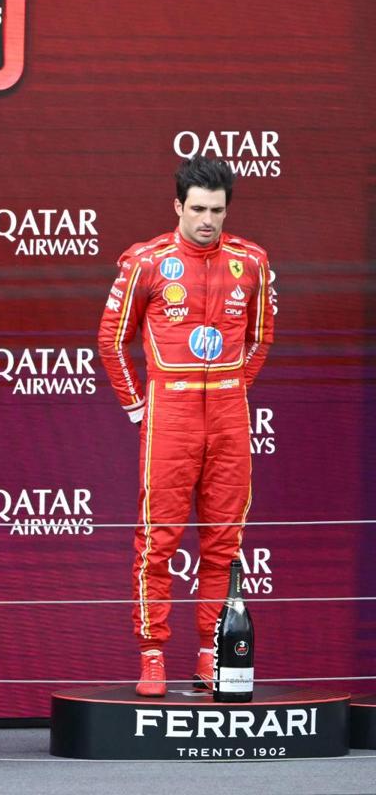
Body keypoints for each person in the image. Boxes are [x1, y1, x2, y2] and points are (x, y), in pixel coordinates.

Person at [97, 155, 276, 696]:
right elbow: (110, 341)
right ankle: (152, 655)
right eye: (197, 209)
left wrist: (232, 388)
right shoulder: (147, 261)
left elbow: (262, 337)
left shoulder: (252, 260)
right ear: (178, 206)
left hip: (227, 415)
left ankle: (209, 652)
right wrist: (138, 406)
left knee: (224, 542)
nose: (207, 220)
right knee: (158, 540)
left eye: (217, 210)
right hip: (169, 416)